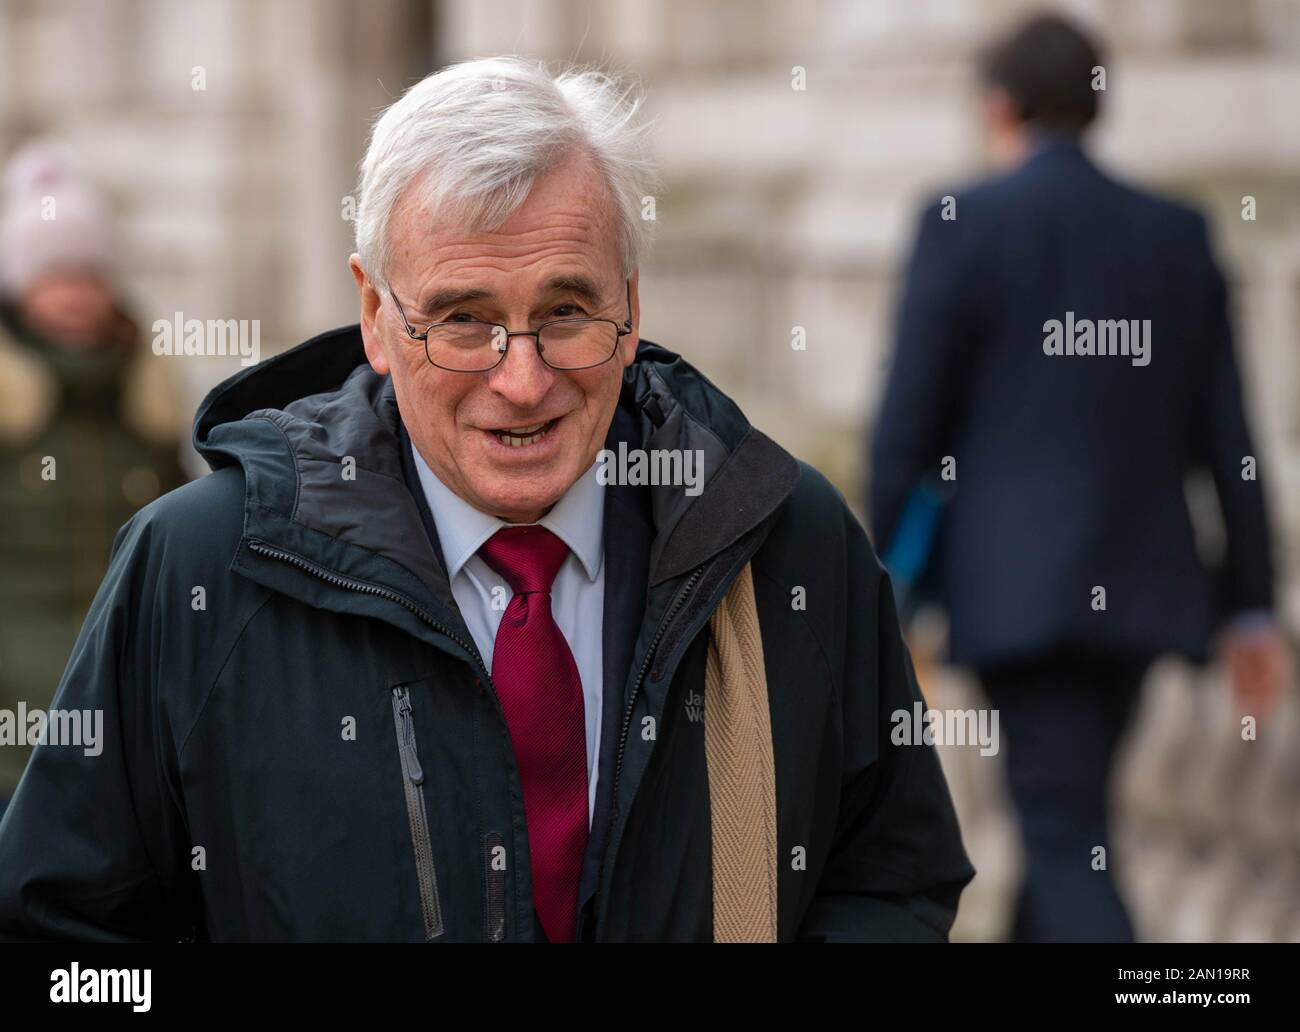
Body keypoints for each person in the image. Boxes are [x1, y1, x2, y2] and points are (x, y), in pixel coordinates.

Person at [0, 57, 973, 942]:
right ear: (375, 316)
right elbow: (60, 928)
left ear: (631, 306)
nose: (523, 379)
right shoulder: (198, 570)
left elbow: (891, 874)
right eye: (464, 320)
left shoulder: (786, 542)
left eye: (566, 311)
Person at [869, 14, 1288, 943]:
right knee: (1065, 817)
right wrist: (1253, 604)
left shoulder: (961, 224)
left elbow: (904, 433)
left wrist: (878, 590)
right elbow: (1231, 439)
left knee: (1062, 830)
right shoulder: (1176, 232)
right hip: (1144, 590)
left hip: (1019, 596)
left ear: (998, 105)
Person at [0, 142, 186, 821]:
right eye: (55, 275)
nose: (77, 294)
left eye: (91, 274)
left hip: (126, 725)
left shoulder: (148, 404)